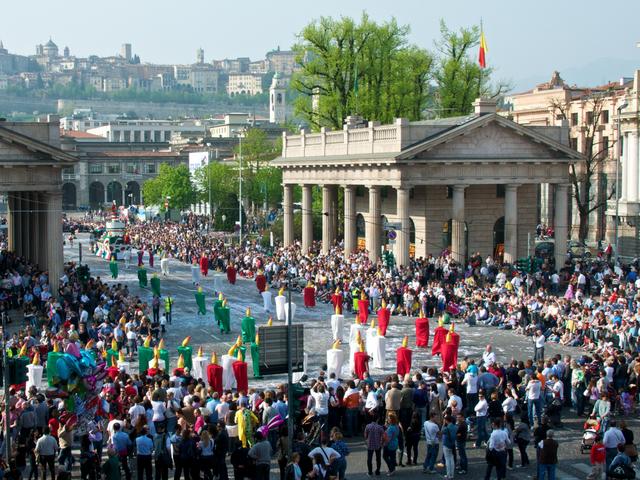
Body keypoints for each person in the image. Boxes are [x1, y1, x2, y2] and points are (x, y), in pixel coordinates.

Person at [441, 415, 457, 480]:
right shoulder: (455, 427)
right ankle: (452, 475)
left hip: (446, 444)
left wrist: (443, 424)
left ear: (447, 420)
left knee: (447, 460)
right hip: (452, 444)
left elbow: (441, 431)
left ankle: (448, 475)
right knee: (452, 459)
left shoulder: (446, 428)